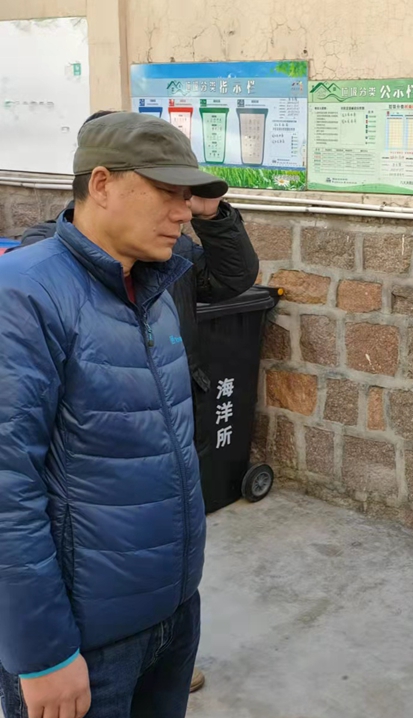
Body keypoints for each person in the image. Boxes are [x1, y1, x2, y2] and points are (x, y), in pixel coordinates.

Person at [14, 109, 259, 696]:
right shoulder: (27, 291)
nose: (184, 211)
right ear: (101, 184)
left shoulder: (156, 281)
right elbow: (7, 487)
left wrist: (180, 602)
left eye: (187, 196)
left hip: (171, 607)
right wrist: (42, 653)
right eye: (167, 192)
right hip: (88, 634)